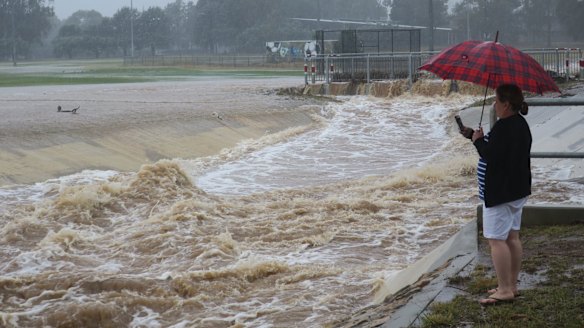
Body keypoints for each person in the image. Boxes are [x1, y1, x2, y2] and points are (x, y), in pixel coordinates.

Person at [459, 83, 532, 305]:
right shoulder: (520, 124)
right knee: (512, 237)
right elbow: (500, 150)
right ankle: (511, 284)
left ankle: (504, 289)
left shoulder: (504, 127)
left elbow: (490, 155)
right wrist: (475, 136)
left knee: (496, 241)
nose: (494, 104)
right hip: (516, 190)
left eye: (497, 101)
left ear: (506, 105)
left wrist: (479, 141)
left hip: (500, 192)